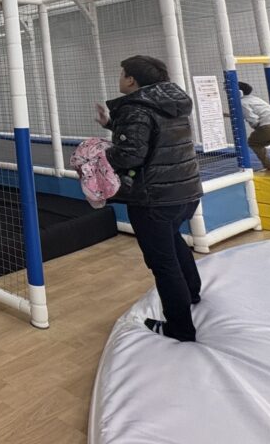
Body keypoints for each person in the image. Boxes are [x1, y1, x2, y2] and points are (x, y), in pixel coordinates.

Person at [95, 55, 203, 342]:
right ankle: (192, 291)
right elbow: (154, 136)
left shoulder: (135, 108)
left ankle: (180, 328)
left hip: (154, 198)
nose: (120, 78)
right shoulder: (172, 102)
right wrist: (111, 124)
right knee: (173, 241)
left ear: (131, 79)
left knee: (163, 263)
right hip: (186, 192)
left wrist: (98, 155)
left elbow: (131, 155)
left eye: (122, 73)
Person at [238, 81, 270, 174]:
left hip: (269, 126)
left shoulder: (242, 102)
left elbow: (253, 118)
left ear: (238, 92)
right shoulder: (255, 99)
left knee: (254, 143)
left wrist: (257, 127)